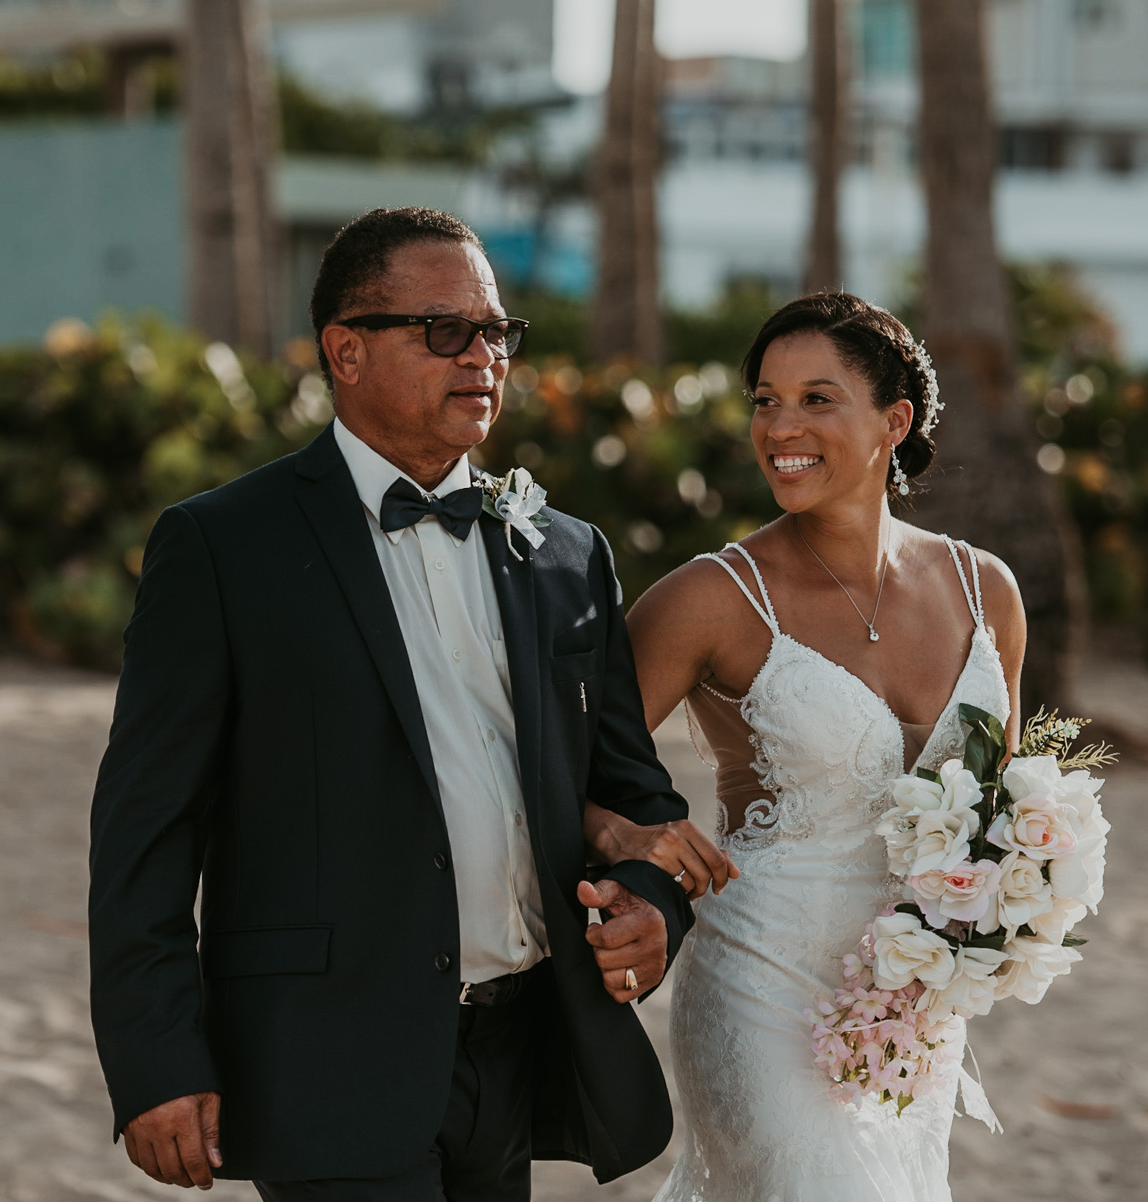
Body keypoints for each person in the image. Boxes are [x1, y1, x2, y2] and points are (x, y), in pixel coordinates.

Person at [88, 206, 697, 1201]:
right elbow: (145, 833)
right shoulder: (222, 546)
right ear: (347, 351)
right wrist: (156, 1057)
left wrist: (656, 903)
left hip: (520, 1045)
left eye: (496, 331)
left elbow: (631, 791)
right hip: (325, 1054)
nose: (483, 357)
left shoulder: (564, 552)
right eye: (444, 330)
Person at [583, 293, 1028, 1201]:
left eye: (816, 399)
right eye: (764, 400)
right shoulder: (711, 597)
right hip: (760, 986)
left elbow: (997, 816)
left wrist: (1022, 892)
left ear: (894, 420)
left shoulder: (987, 592)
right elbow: (567, 770)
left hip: (910, 1008)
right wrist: (630, 848)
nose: (780, 426)